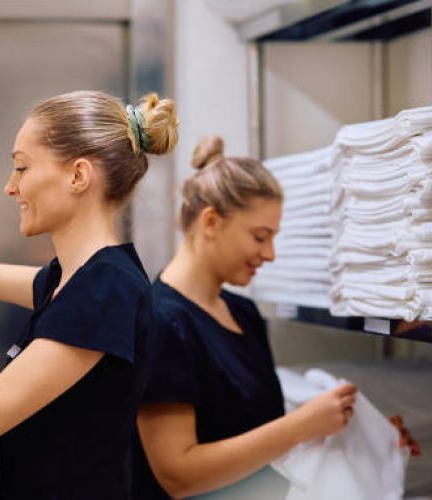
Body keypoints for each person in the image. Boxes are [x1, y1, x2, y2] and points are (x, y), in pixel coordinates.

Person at [0, 90, 179, 499]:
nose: (10, 187)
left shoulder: (107, 289)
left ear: (78, 176)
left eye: (21, 168)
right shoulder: (72, 277)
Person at [133, 135, 359, 499]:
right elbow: (178, 474)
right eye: (259, 237)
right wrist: (300, 427)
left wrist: (356, 436)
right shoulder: (161, 322)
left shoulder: (243, 312)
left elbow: (253, 437)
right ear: (211, 222)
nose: (269, 254)